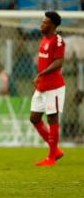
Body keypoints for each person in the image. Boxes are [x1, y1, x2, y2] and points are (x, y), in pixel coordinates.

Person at [30, 11, 65, 166]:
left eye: (45, 22)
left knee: (52, 118)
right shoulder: (44, 39)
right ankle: (56, 150)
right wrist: (40, 78)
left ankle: (51, 158)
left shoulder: (58, 40)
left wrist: (41, 74)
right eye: (42, 21)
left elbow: (59, 62)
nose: (42, 24)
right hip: (42, 85)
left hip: (54, 87)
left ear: (52, 25)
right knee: (34, 118)